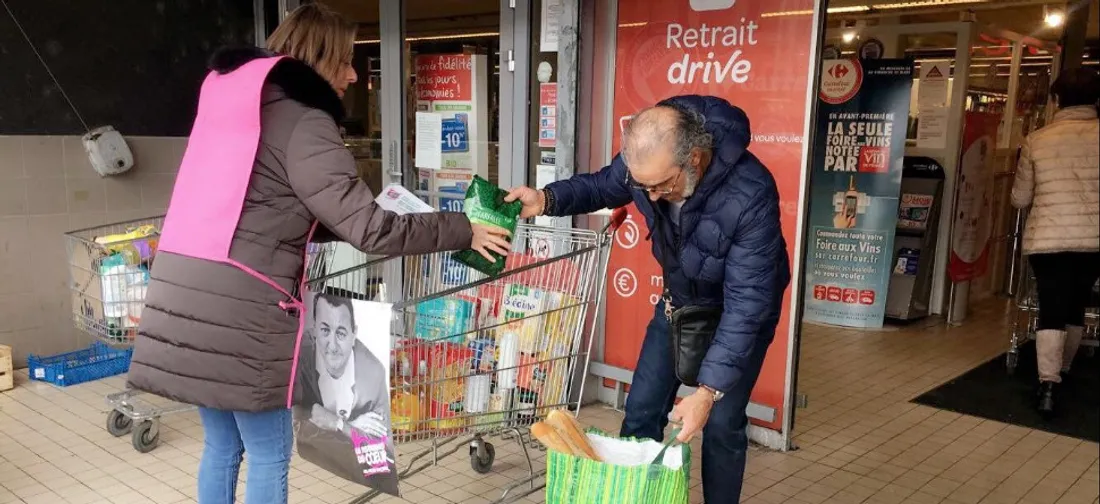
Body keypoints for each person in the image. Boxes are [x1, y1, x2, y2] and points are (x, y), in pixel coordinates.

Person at [125, 4, 510, 504]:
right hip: (242, 314)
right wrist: (463, 229)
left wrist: (334, 222)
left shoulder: (235, 108)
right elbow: (372, 229)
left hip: (184, 298)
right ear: (319, 59)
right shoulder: (305, 122)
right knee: (267, 452)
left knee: (220, 446)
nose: (353, 74)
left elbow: (261, 210)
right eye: (347, 60)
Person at [507, 95, 790, 503]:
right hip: (678, 302)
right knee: (641, 409)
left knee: (722, 424)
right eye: (642, 186)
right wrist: (546, 200)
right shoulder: (646, 165)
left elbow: (748, 304)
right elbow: (600, 186)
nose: (652, 196)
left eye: (661, 184)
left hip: (739, 310)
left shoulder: (751, 192)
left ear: (695, 158)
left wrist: (707, 392)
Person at [1010, 67, 1100, 417]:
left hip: (1048, 238)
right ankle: (1064, 370)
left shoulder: (1038, 139)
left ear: (1056, 99)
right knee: (1077, 303)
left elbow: (1020, 198)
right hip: (1093, 241)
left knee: (1051, 306)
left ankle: (1047, 385)